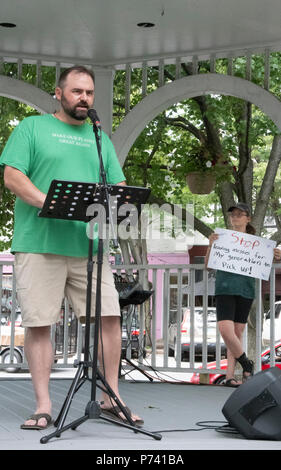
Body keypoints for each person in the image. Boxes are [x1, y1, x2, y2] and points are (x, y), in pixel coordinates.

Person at [0, 65, 143, 429]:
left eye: (90, 93)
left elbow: (119, 184)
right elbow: (13, 177)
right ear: (59, 93)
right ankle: (43, 405)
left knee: (110, 317)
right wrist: (49, 202)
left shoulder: (100, 137)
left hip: (89, 249)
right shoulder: (32, 128)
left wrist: (120, 205)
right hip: (39, 244)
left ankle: (111, 395)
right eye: (77, 91)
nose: (84, 98)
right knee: (40, 323)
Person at [205, 202, 281, 387]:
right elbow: (208, 265)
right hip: (225, 287)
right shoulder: (221, 238)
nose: (236, 217)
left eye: (240, 214)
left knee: (237, 333)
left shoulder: (258, 244)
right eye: (233, 214)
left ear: (248, 218)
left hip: (246, 290)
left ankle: (230, 376)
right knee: (225, 330)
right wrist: (210, 245)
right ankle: (247, 363)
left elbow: (265, 263)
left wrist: (276, 255)